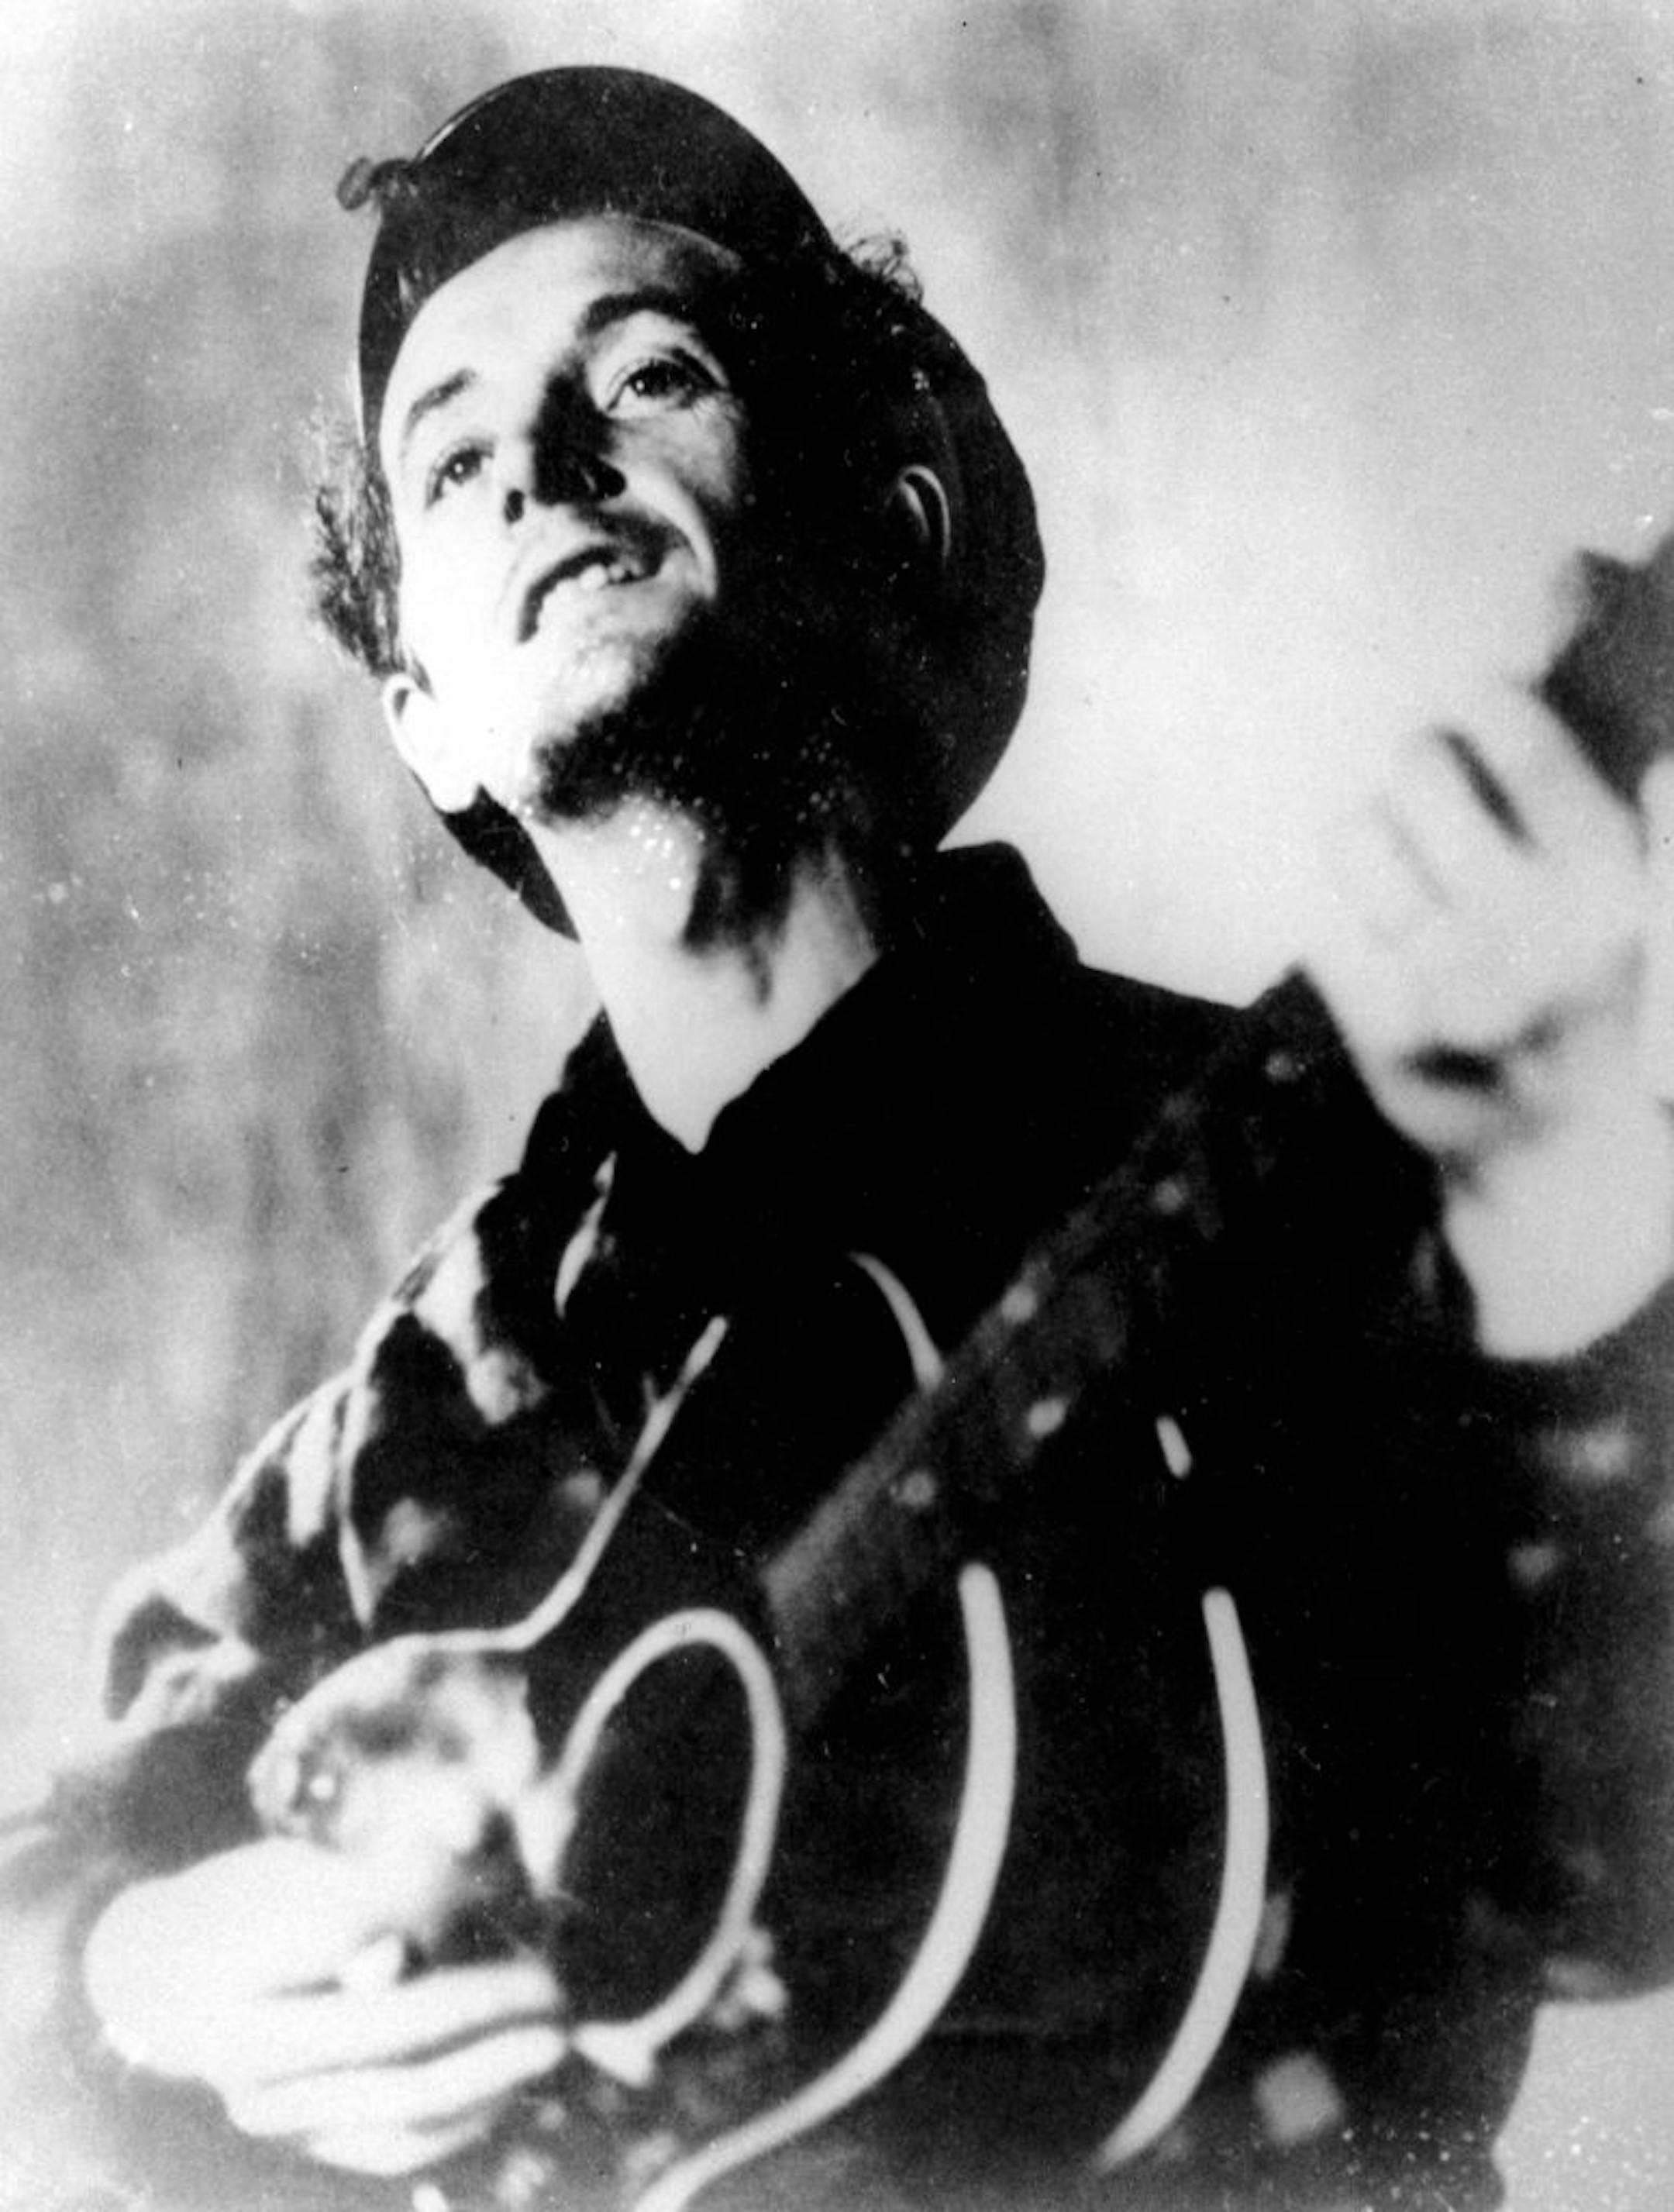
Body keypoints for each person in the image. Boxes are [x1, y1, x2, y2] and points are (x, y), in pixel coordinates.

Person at [5, 64, 1674, 2212]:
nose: (538, 466)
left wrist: (1573, 1251)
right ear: (417, 703)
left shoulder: (1302, 1150)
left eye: (656, 371)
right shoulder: (411, 1427)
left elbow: (1619, 1856)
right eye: (448, 457)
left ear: (881, 507)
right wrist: (138, 1968)